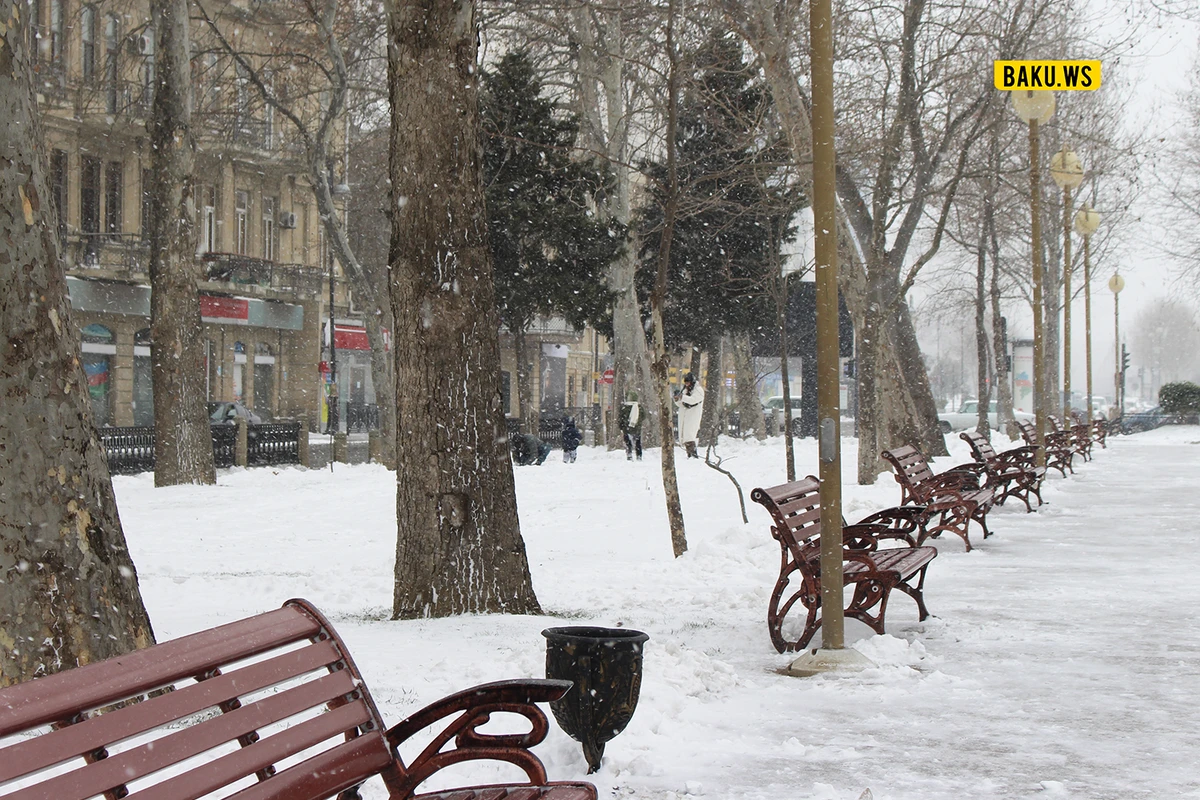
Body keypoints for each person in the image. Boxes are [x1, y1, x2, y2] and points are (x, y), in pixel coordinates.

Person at [674, 372, 704, 459]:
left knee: (690, 436)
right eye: (685, 383)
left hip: (693, 416)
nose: (687, 385)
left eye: (688, 383)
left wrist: (682, 397)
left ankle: (693, 455)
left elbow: (693, 400)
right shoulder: (685, 390)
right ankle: (690, 455)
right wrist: (677, 399)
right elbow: (681, 404)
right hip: (684, 415)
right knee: (685, 436)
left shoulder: (698, 390)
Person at [619, 392, 643, 461]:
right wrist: (638, 422)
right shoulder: (639, 407)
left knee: (627, 442)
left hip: (627, 427)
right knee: (638, 442)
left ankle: (629, 453)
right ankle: (639, 455)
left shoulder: (624, 407)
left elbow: (621, 418)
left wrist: (621, 425)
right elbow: (643, 416)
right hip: (637, 427)